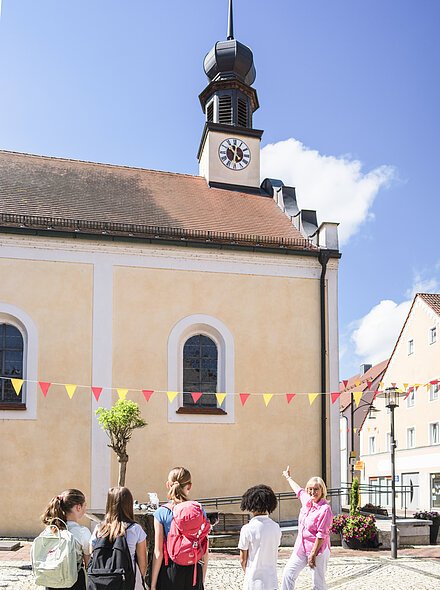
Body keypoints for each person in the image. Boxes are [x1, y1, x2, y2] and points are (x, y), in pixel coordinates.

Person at [151, 467, 209, 590]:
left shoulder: (161, 513)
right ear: (189, 486)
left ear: (168, 485)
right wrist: (201, 579)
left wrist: (153, 584)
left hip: (170, 569)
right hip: (194, 568)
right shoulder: (198, 510)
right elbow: (204, 548)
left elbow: (158, 552)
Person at [280, 467, 333, 590]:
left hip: (318, 550)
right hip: (301, 547)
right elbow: (298, 491)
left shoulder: (325, 509)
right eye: (310, 489)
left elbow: (321, 534)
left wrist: (313, 554)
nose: (312, 492)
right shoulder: (307, 501)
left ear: (322, 490)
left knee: (318, 583)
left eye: (316, 489)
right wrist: (288, 477)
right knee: (288, 573)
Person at [90, 486, 147, 590]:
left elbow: (92, 556)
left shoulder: (99, 529)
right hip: (128, 582)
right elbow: (143, 564)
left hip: (101, 583)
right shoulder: (135, 529)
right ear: (129, 504)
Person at [41, 489, 91, 590]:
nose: (86, 508)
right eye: (85, 505)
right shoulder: (82, 532)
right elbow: (88, 563)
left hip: (51, 580)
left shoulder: (50, 530)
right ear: (78, 507)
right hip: (73, 581)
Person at [238, 484, 282, 590]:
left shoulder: (247, 529)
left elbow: (242, 559)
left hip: (253, 581)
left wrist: (247, 572)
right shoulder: (276, 527)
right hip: (271, 581)